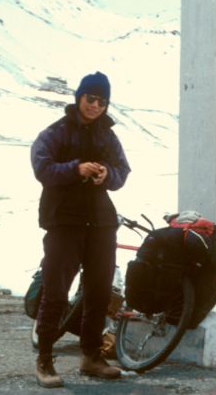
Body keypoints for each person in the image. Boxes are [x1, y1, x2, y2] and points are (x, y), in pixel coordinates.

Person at [30, 71, 130, 387]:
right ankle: (45, 360)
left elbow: (122, 170)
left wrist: (107, 176)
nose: (96, 106)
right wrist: (76, 169)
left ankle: (91, 357)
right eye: (91, 99)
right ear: (79, 97)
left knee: (99, 292)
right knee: (56, 292)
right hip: (63, 222)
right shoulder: (56, 132)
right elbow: (41, 168)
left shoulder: (108, 135)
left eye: (102, 101)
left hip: (101, 223)